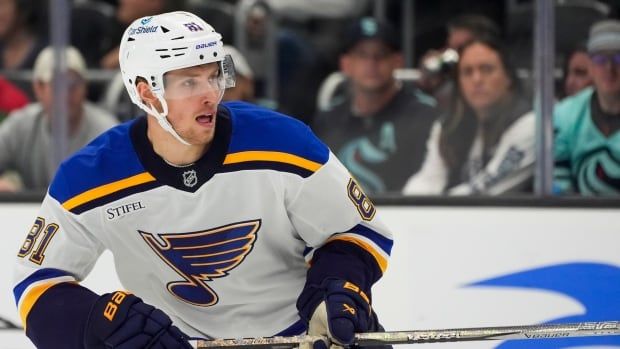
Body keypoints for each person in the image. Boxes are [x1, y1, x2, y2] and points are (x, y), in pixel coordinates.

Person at [13, 11, 393, 349]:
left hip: (306, 337)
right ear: (146, 92)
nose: (211, 94)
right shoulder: (89, 177)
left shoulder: (283, 143)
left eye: (213, 76)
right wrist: (103, 320)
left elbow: (359, 231)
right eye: (189, 83)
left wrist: (339, 287)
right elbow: (35, 286)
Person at [313, 17, 439, 194]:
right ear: (346, 64)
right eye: (362, 55)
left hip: (409, 217)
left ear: (397, 61)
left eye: (381, 54)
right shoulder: (328, 119)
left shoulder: (424, 114)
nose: (371, 63)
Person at [402, 37, 535, 195]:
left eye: (486, 69)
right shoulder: (450, 126)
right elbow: (428, 180)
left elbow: (487, 189)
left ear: (508, 78)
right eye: (467, 72)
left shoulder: (530, 125)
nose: (477, 79)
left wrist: (434, 206)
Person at [0, 46, 117, 192]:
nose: (66, 94)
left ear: (85, 87)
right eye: (58, 84)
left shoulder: (106, 131)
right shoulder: (20, 124)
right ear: (38, 88)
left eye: (73, 85)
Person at [554, 19, 620, 195]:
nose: (610, 68)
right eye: (600, 59)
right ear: (590, 66)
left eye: (618, 58)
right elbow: (557, 184)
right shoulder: (565, 115)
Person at [417, 14, 500, 112]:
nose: (455, 56)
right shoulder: (445, 72)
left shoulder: (492, 84)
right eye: (451, 48)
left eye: (461, 49)